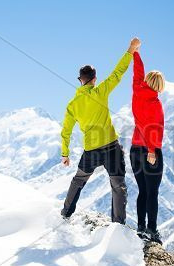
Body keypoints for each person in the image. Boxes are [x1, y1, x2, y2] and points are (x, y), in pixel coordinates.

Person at [60, 37, 141, 223]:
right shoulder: (100, 91)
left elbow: (66, 131)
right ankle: (118, 225)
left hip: (91, 150)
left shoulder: (72, 105)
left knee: (78, 180)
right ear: (94, 80)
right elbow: (117, 73)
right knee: (118, 185)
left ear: (80, 80)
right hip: (112, 147)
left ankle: (65, 213)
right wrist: (131, 50)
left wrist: (65, 154)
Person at [130, 46, 165, 244]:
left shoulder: (137, 90)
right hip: (150, 151)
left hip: (134, 150)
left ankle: (141, 227)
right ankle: (151, 230)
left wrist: (136, 52)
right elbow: (155, 129)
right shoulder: (155, 103)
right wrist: (152, 151)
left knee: (143, 191)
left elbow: (138, 72)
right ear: (159, 85)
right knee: (152, 193)